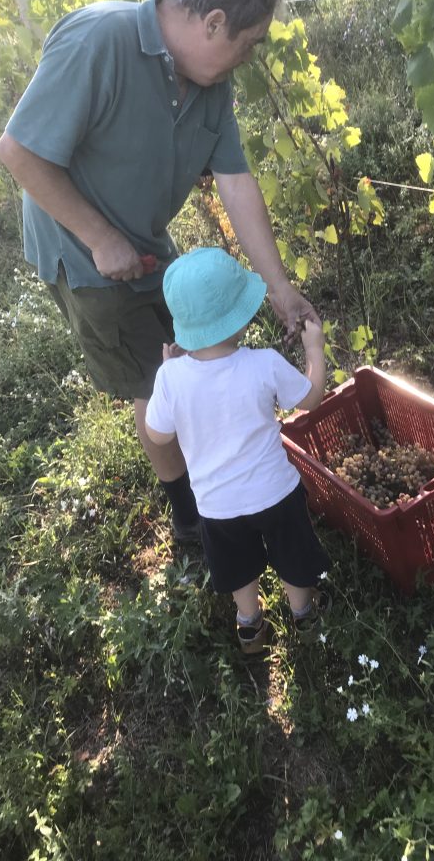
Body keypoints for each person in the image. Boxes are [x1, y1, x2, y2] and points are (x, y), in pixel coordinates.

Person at [0, 0, 319, 543]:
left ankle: (206, 478)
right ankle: (191, 519)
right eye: (248, 44)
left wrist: (279, 287)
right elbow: (18, 152)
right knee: (157, 378)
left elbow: (236, 182)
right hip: (83, 251)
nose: (248, 58)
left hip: (145, 242)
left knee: (191, 352)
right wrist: (99, 238)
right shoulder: (100, 40)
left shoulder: (209, 82)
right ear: (214, 22)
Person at [145, 248, 330, 653]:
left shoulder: (171, 378)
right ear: (241, 318)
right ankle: (303, 613)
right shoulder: (264, 363)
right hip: (275, 494)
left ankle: (249, 625)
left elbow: (157, 437)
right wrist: (314, 349)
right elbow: (311, 399)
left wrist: (168, 373)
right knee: (292, 555)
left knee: (239, 569)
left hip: (217, 507)